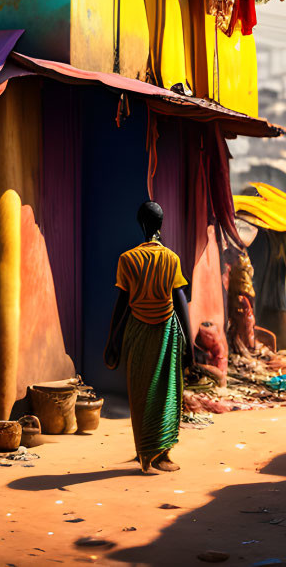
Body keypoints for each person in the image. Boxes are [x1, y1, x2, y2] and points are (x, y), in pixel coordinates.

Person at [107, 201, 192, 475]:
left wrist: (112, 339)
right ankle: (162, 454)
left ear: (140, 224)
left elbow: (122, 303)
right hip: (167, 332)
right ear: (161, 225)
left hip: (137, 331)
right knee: (167, 393)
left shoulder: (127, 259)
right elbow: (180, 302)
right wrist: (190, 343)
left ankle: (145, 451)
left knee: (141, 393)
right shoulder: (172, 259)